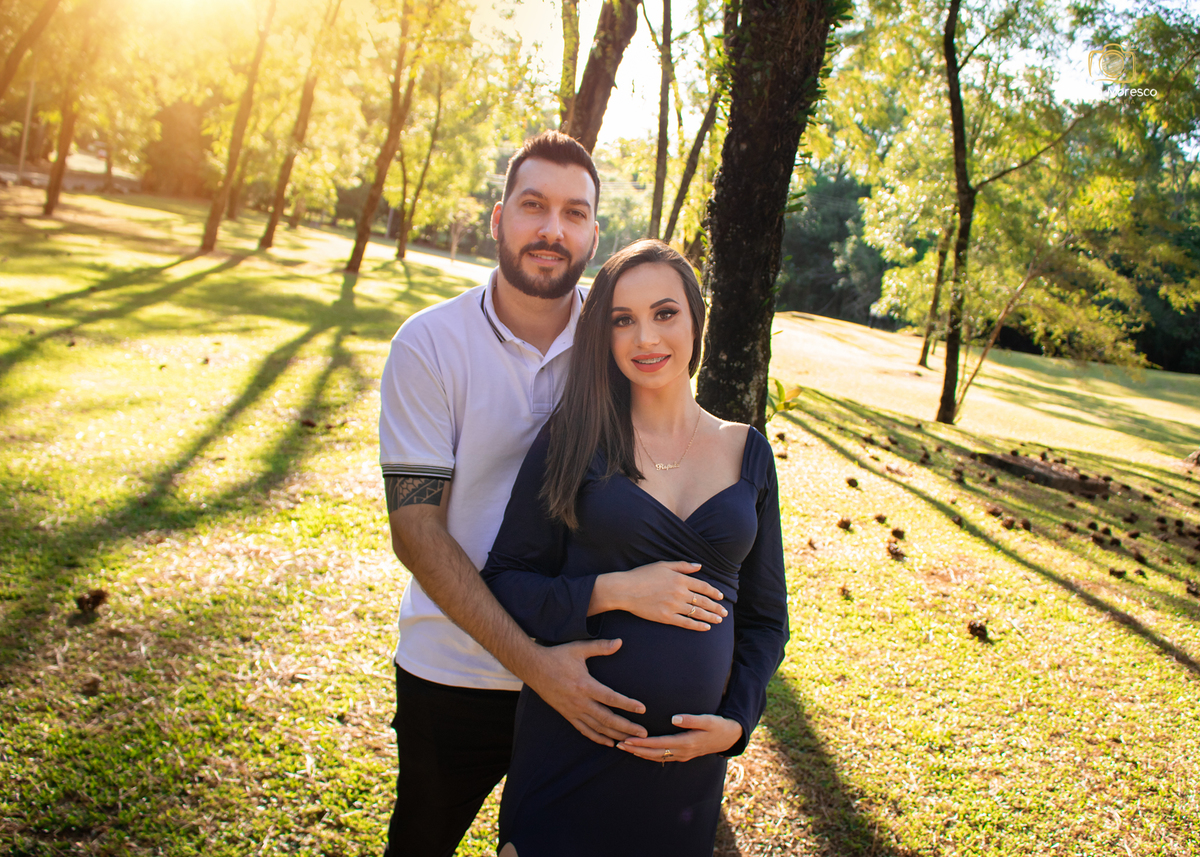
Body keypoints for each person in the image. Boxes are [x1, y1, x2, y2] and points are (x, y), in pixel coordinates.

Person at [379, 133, 694, 856]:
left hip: (590, 673)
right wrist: (534, 664)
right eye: (534, 206)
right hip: (451, 667)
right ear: (498, 219)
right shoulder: (428, 345)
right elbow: (416, 531)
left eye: (575, 213)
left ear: (593, 232)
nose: (553, 229)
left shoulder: (622, 339)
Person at [481, 239, 790, 857]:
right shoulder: (574, 438)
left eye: (665, 313)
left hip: (683, 780)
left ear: (696, 321)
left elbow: (766, 619)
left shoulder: (747, 451)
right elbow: (507, 579)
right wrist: (613, 590)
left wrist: (734, 725)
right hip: (573, 739)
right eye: (623, 320)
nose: (645, 337)